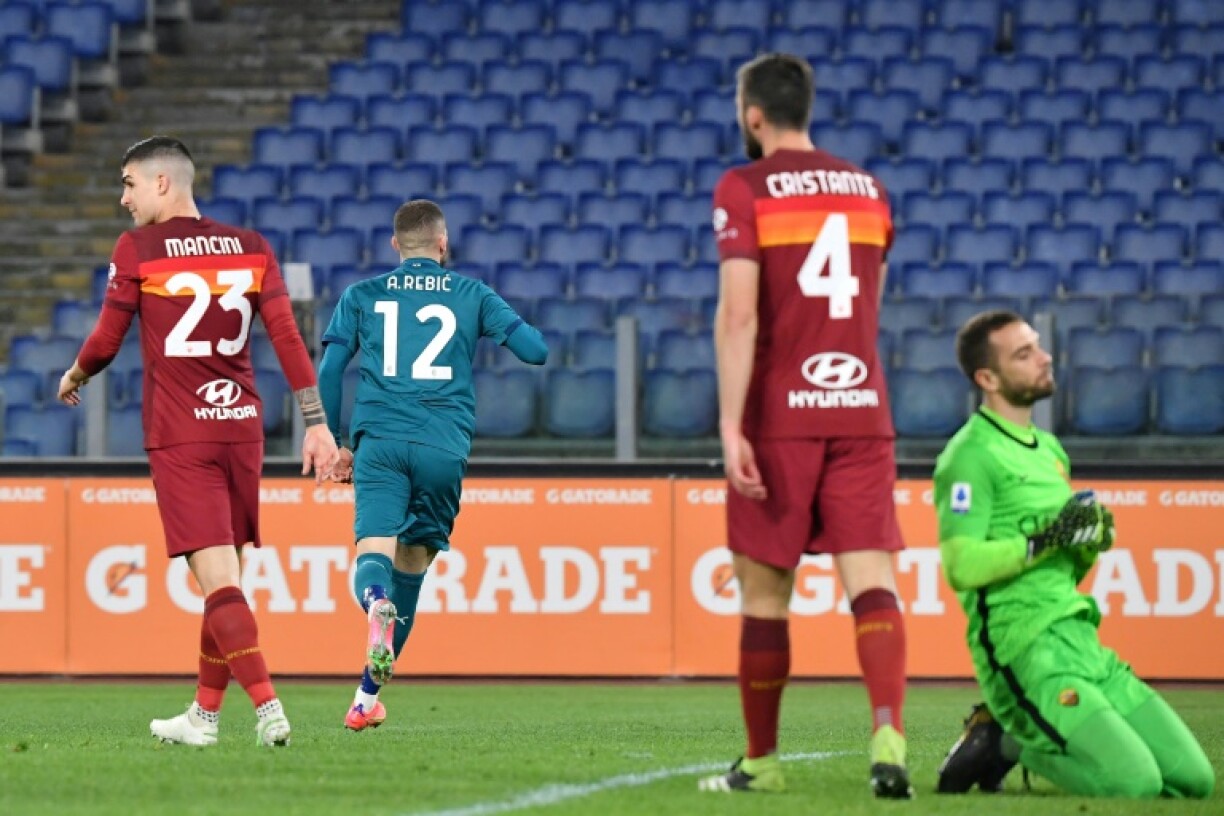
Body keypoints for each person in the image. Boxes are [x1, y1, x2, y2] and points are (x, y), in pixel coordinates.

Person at [57, 135, 340, 748]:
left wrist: (76, 373)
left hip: (182, 434)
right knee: (225, 579)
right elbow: (289, 340)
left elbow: (106, 342)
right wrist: (315, 422)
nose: (123, 197)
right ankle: (203, 717)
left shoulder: (138, 248)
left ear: (163, 182)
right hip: (241, 430)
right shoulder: (252, 247)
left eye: (129, 183)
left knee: (219, 585)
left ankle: (268, 708)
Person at [699, 53, 911, 799]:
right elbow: (871, 310)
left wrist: (731, 425)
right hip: (861, 409)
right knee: (872, 583)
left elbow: (739, 312)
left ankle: (761, 763)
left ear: (752, 114)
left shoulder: (744, 186)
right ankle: (888, 735)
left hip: (781, 413)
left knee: (765, 598)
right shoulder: (869, 191)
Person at [932, 309, 1214, 799]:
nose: (1045, 357)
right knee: (1137, 784)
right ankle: (1004, 744)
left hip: (1081, 641)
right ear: (987, 378)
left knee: (1196, 780)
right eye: (1025, 354)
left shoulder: (1050, 450)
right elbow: (961, 565)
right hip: (1025, 649)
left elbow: (1064, 568)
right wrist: (1048, 540)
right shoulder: (969, 456)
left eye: (1038, 346)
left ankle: (1009, 742)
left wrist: (1089, 543)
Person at [317, 199, 548, 731]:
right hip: (443, 445)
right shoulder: (472, 293)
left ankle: (373, 602)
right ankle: (365, 700)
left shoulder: (361, 295)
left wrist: (334, 441)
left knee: (372, 553)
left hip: (379, 441)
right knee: (414, 568)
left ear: (396, 246)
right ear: (443, 244)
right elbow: (535, 351)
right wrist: (499, 325)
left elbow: (330, 367)